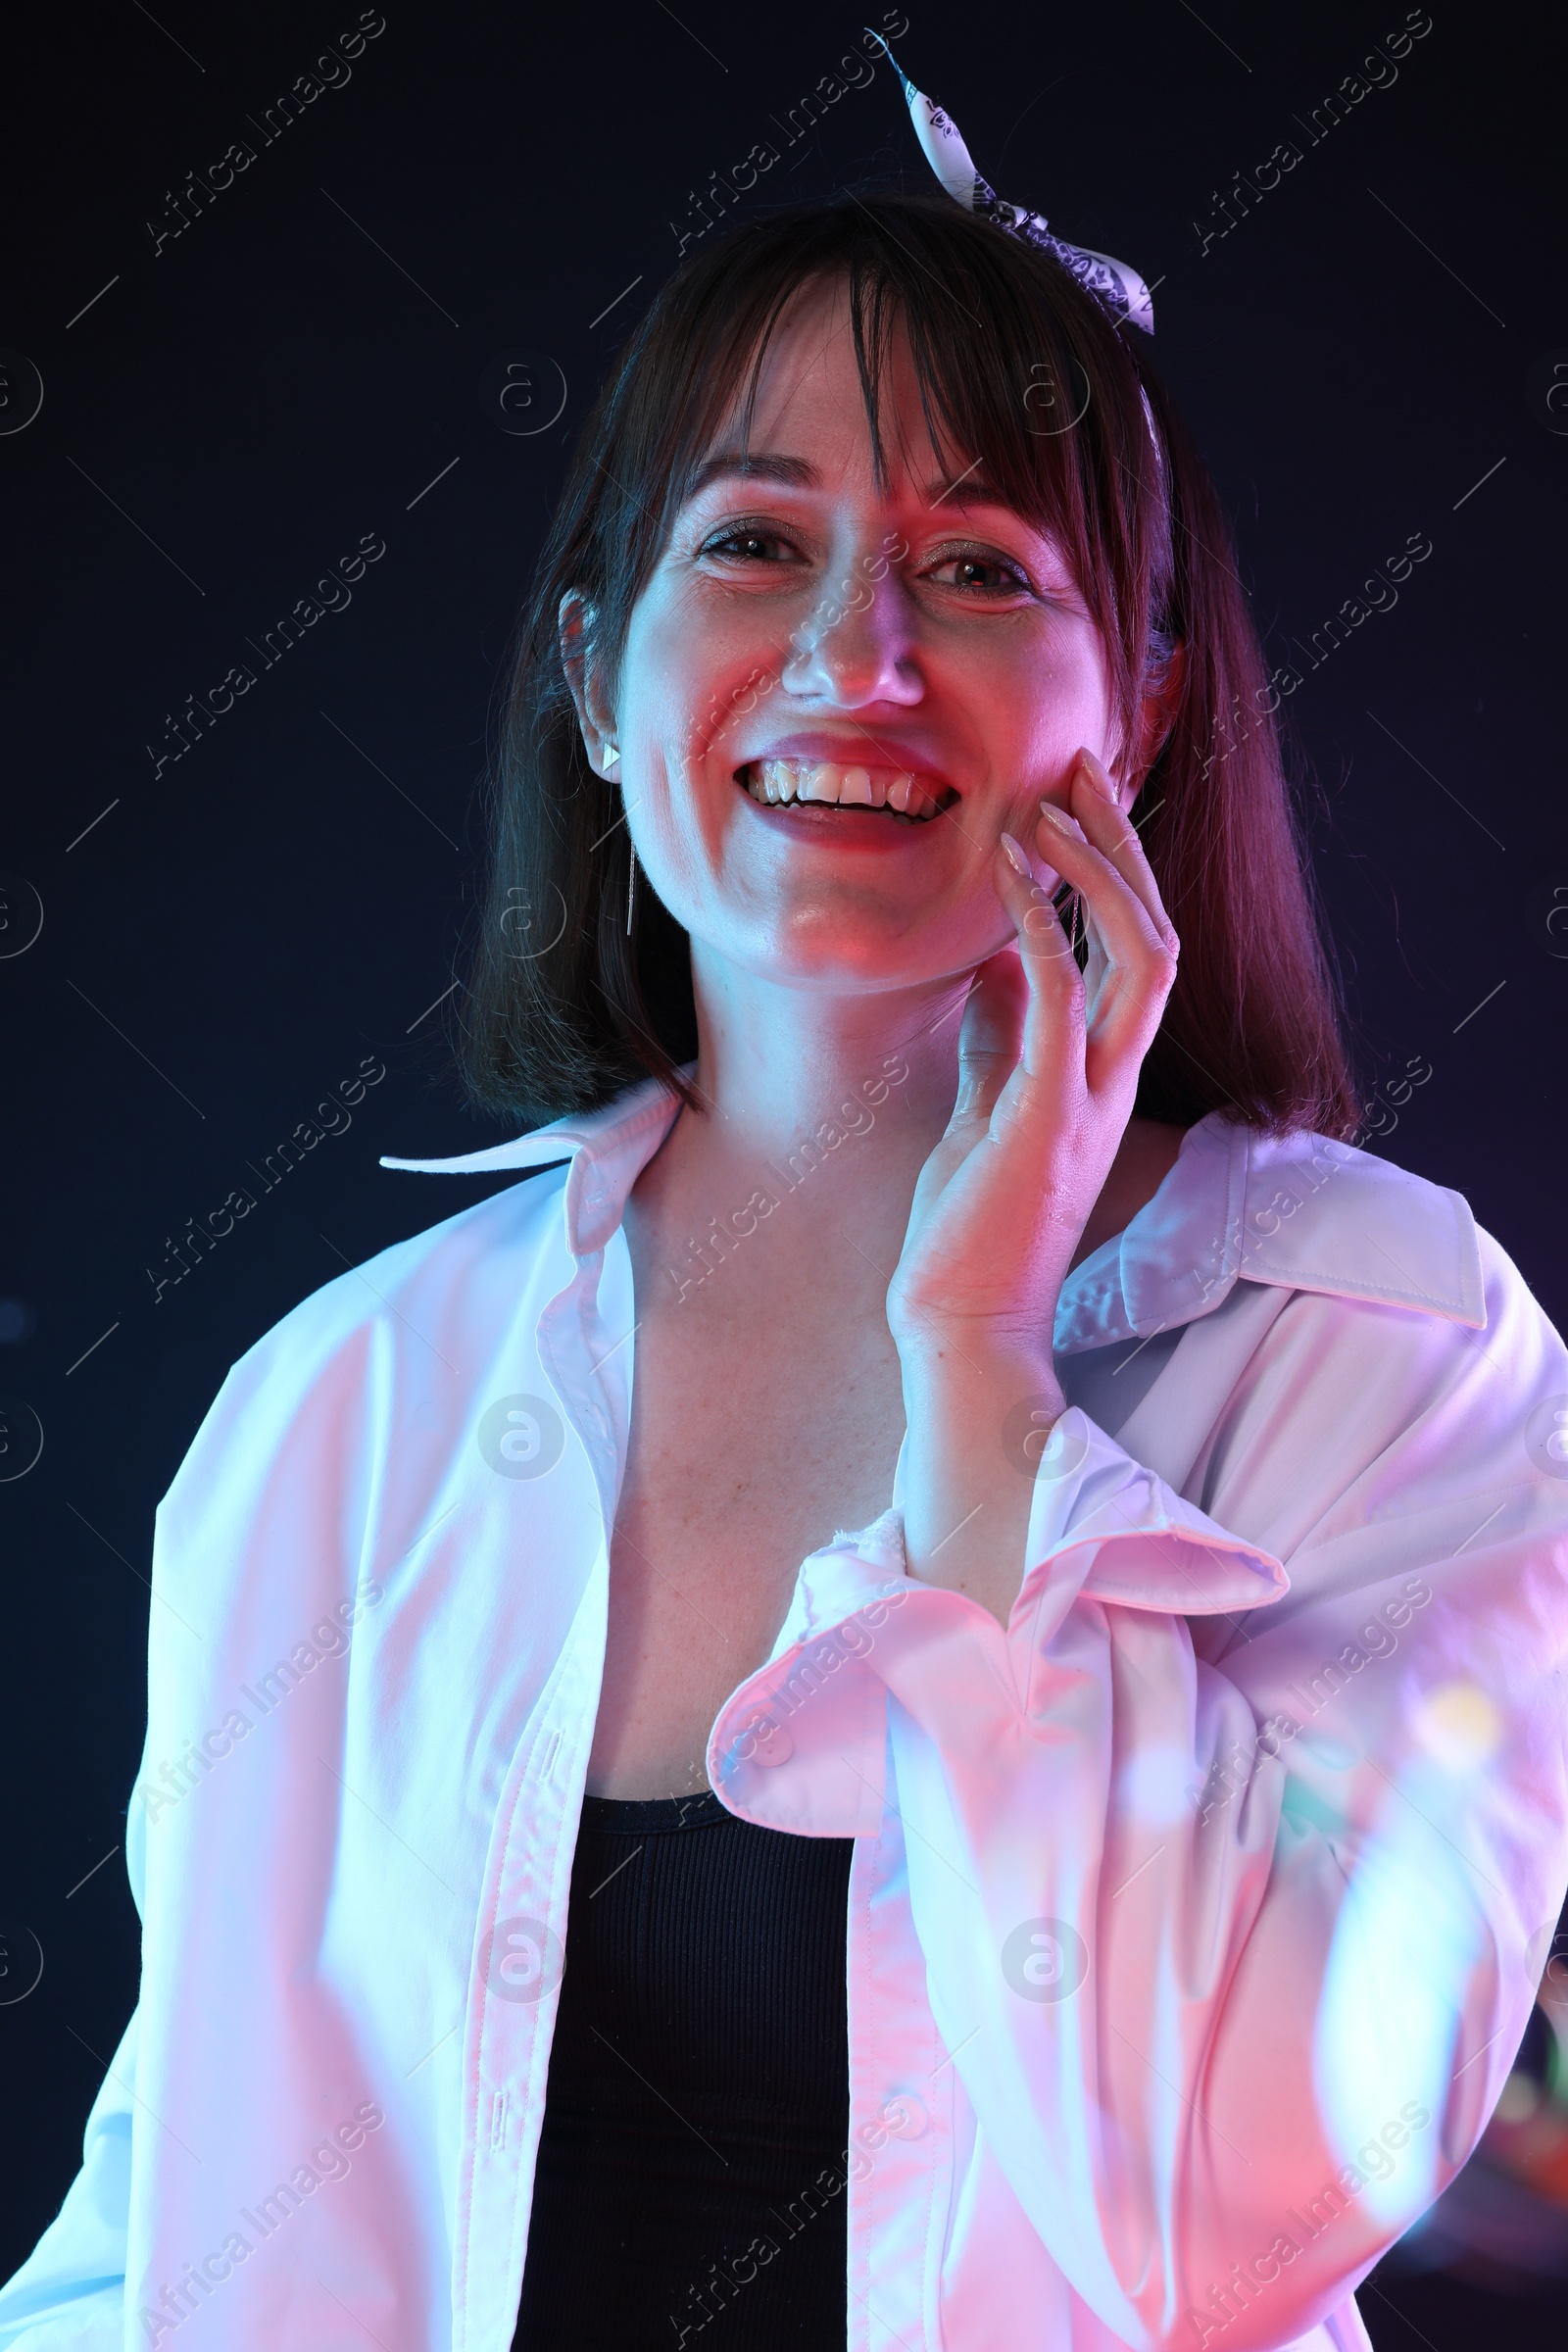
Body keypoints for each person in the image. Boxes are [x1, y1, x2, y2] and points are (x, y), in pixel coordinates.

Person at [4, 180, 1567, 2352]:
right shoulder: (340, 1406)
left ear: (1140, 704)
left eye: (977, 565)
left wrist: (978, 1366)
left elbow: (1232, 2225)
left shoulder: (1391, 1353)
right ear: (593, 679)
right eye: (751, 542)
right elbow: (159, 2243)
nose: (858, 657)